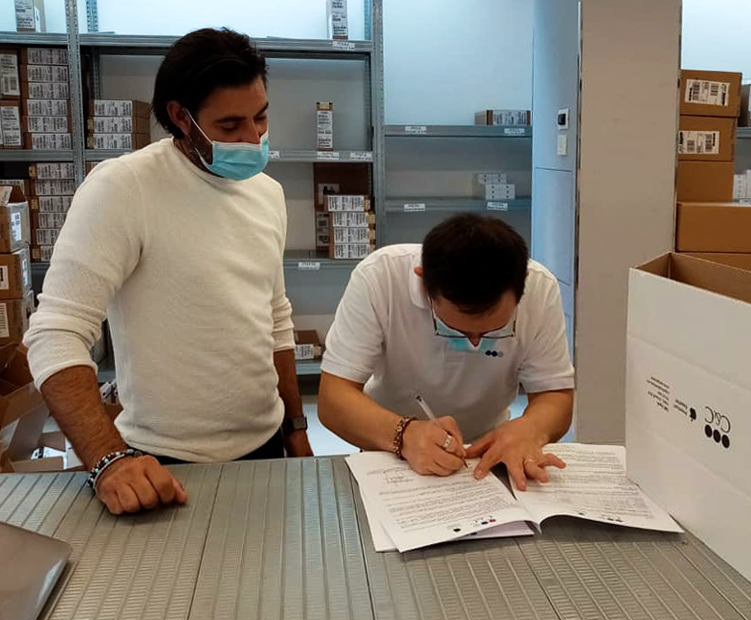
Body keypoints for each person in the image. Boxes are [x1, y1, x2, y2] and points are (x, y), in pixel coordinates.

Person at [24, 28, 313, 516]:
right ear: (181, 117)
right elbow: (55, 334)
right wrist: (107, 460)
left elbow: (275, 317)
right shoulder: (125, 188)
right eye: (230, 125)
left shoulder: (268, 194)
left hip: (265, 450)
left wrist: (296, 429)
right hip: (162, 465)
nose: (253, 139)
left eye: (261, 117)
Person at [318, 214, 574, 489]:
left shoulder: (540, 288)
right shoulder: (380, 277)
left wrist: (530, 429)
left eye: (493, 332)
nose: (475, 343)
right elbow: (334, 398)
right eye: (456, 330)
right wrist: (404, 434)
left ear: (523, 281)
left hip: (491, 452)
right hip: (390, 446)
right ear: (423, 281)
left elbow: (554, 394)